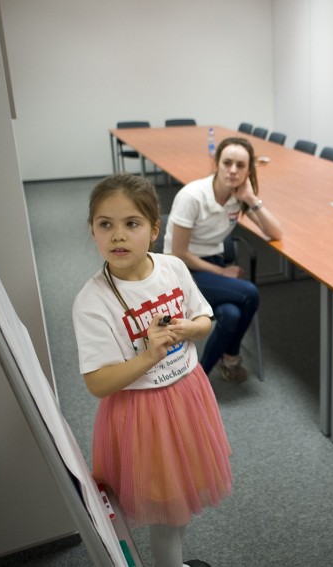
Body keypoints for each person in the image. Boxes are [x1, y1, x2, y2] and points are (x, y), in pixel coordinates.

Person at [73, 173, 231, 567]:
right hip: (144, 414)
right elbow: (97, 382)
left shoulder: (172, 268)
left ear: (154, 230)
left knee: (182, 498)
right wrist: (148, 355)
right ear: (92, 231)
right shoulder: (92, 301)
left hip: (188, 397)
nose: (118, 236)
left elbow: (204, 320)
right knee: (165, 510)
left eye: (132, 224)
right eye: (105, 225)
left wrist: (186, 328)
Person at [166, 136, 283, 383]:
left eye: (241, 166)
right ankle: (229, 358)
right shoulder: (193, 197)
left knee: (231, 314)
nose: (233, 170)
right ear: (216, 163)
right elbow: (178, 253)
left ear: (248, 170)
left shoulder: (238, 196)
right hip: (180, 271)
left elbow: (276, 232)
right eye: (227, 162)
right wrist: (222, 273)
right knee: (249, 293)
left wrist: (251, 198)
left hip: (211, 265)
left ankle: (199, 379)